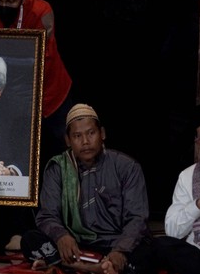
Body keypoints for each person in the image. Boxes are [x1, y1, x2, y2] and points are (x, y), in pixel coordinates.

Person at [20, 103, 158, 274]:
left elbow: (137, 218)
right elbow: (47, 215)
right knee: (29, 239)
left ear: (102, 134)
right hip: (76, 243)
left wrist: (120, 250)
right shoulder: (58, 168)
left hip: (115, 243)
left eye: (91, 133)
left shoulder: (127, 167)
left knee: (150, 253)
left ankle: (63, 263)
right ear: (68, 140)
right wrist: (61, 236)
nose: (85, 141)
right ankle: (96, 268)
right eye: (77, 136)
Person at [0, 0, 74, 175]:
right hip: (9, 97)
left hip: (50, 92)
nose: (3, 6)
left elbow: (44, 56)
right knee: (14, 151)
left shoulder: (42, 12)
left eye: (10, 2)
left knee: (64, 147)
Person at [160, 101, 200, 273]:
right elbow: (172, 230)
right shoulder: (187, 176)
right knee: (162, 245)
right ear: (198, 142)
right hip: (197, 254)